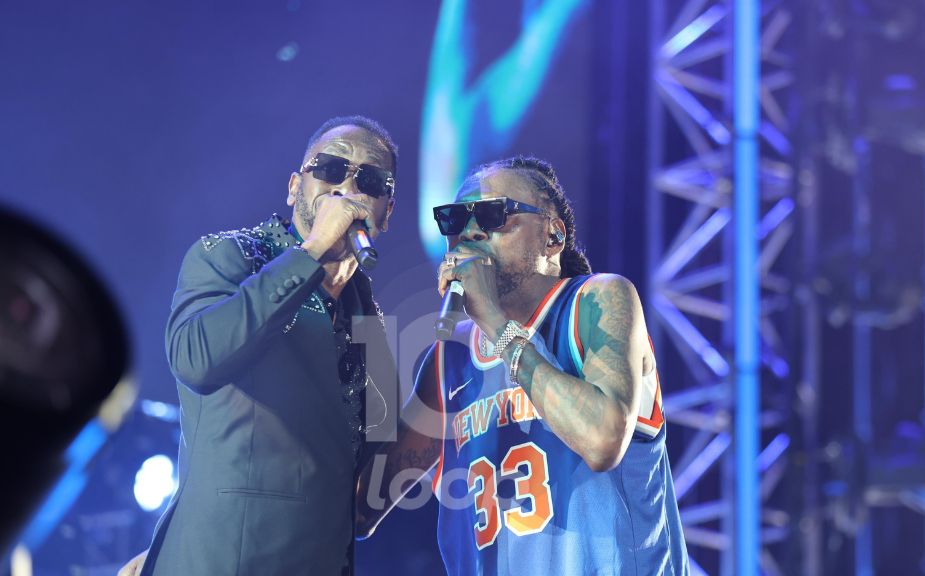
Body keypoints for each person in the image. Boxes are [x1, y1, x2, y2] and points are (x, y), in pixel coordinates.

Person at [357, 156, 688, 575]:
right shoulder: (447, 361)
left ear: (553, 235)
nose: (470, 231)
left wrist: (496, 323)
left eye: (494, 214)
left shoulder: (597, 301)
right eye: (456, 219)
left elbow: (602, 441)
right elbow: (362, 509)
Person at [120, 115, 400, 576]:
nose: (347, 187)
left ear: (386, 210)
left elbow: (367, 481)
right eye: (330, 169)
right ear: (295, 187)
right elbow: (197, 358)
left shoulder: (367, 313)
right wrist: (310, 252)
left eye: (369, 179)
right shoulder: (230, 256)